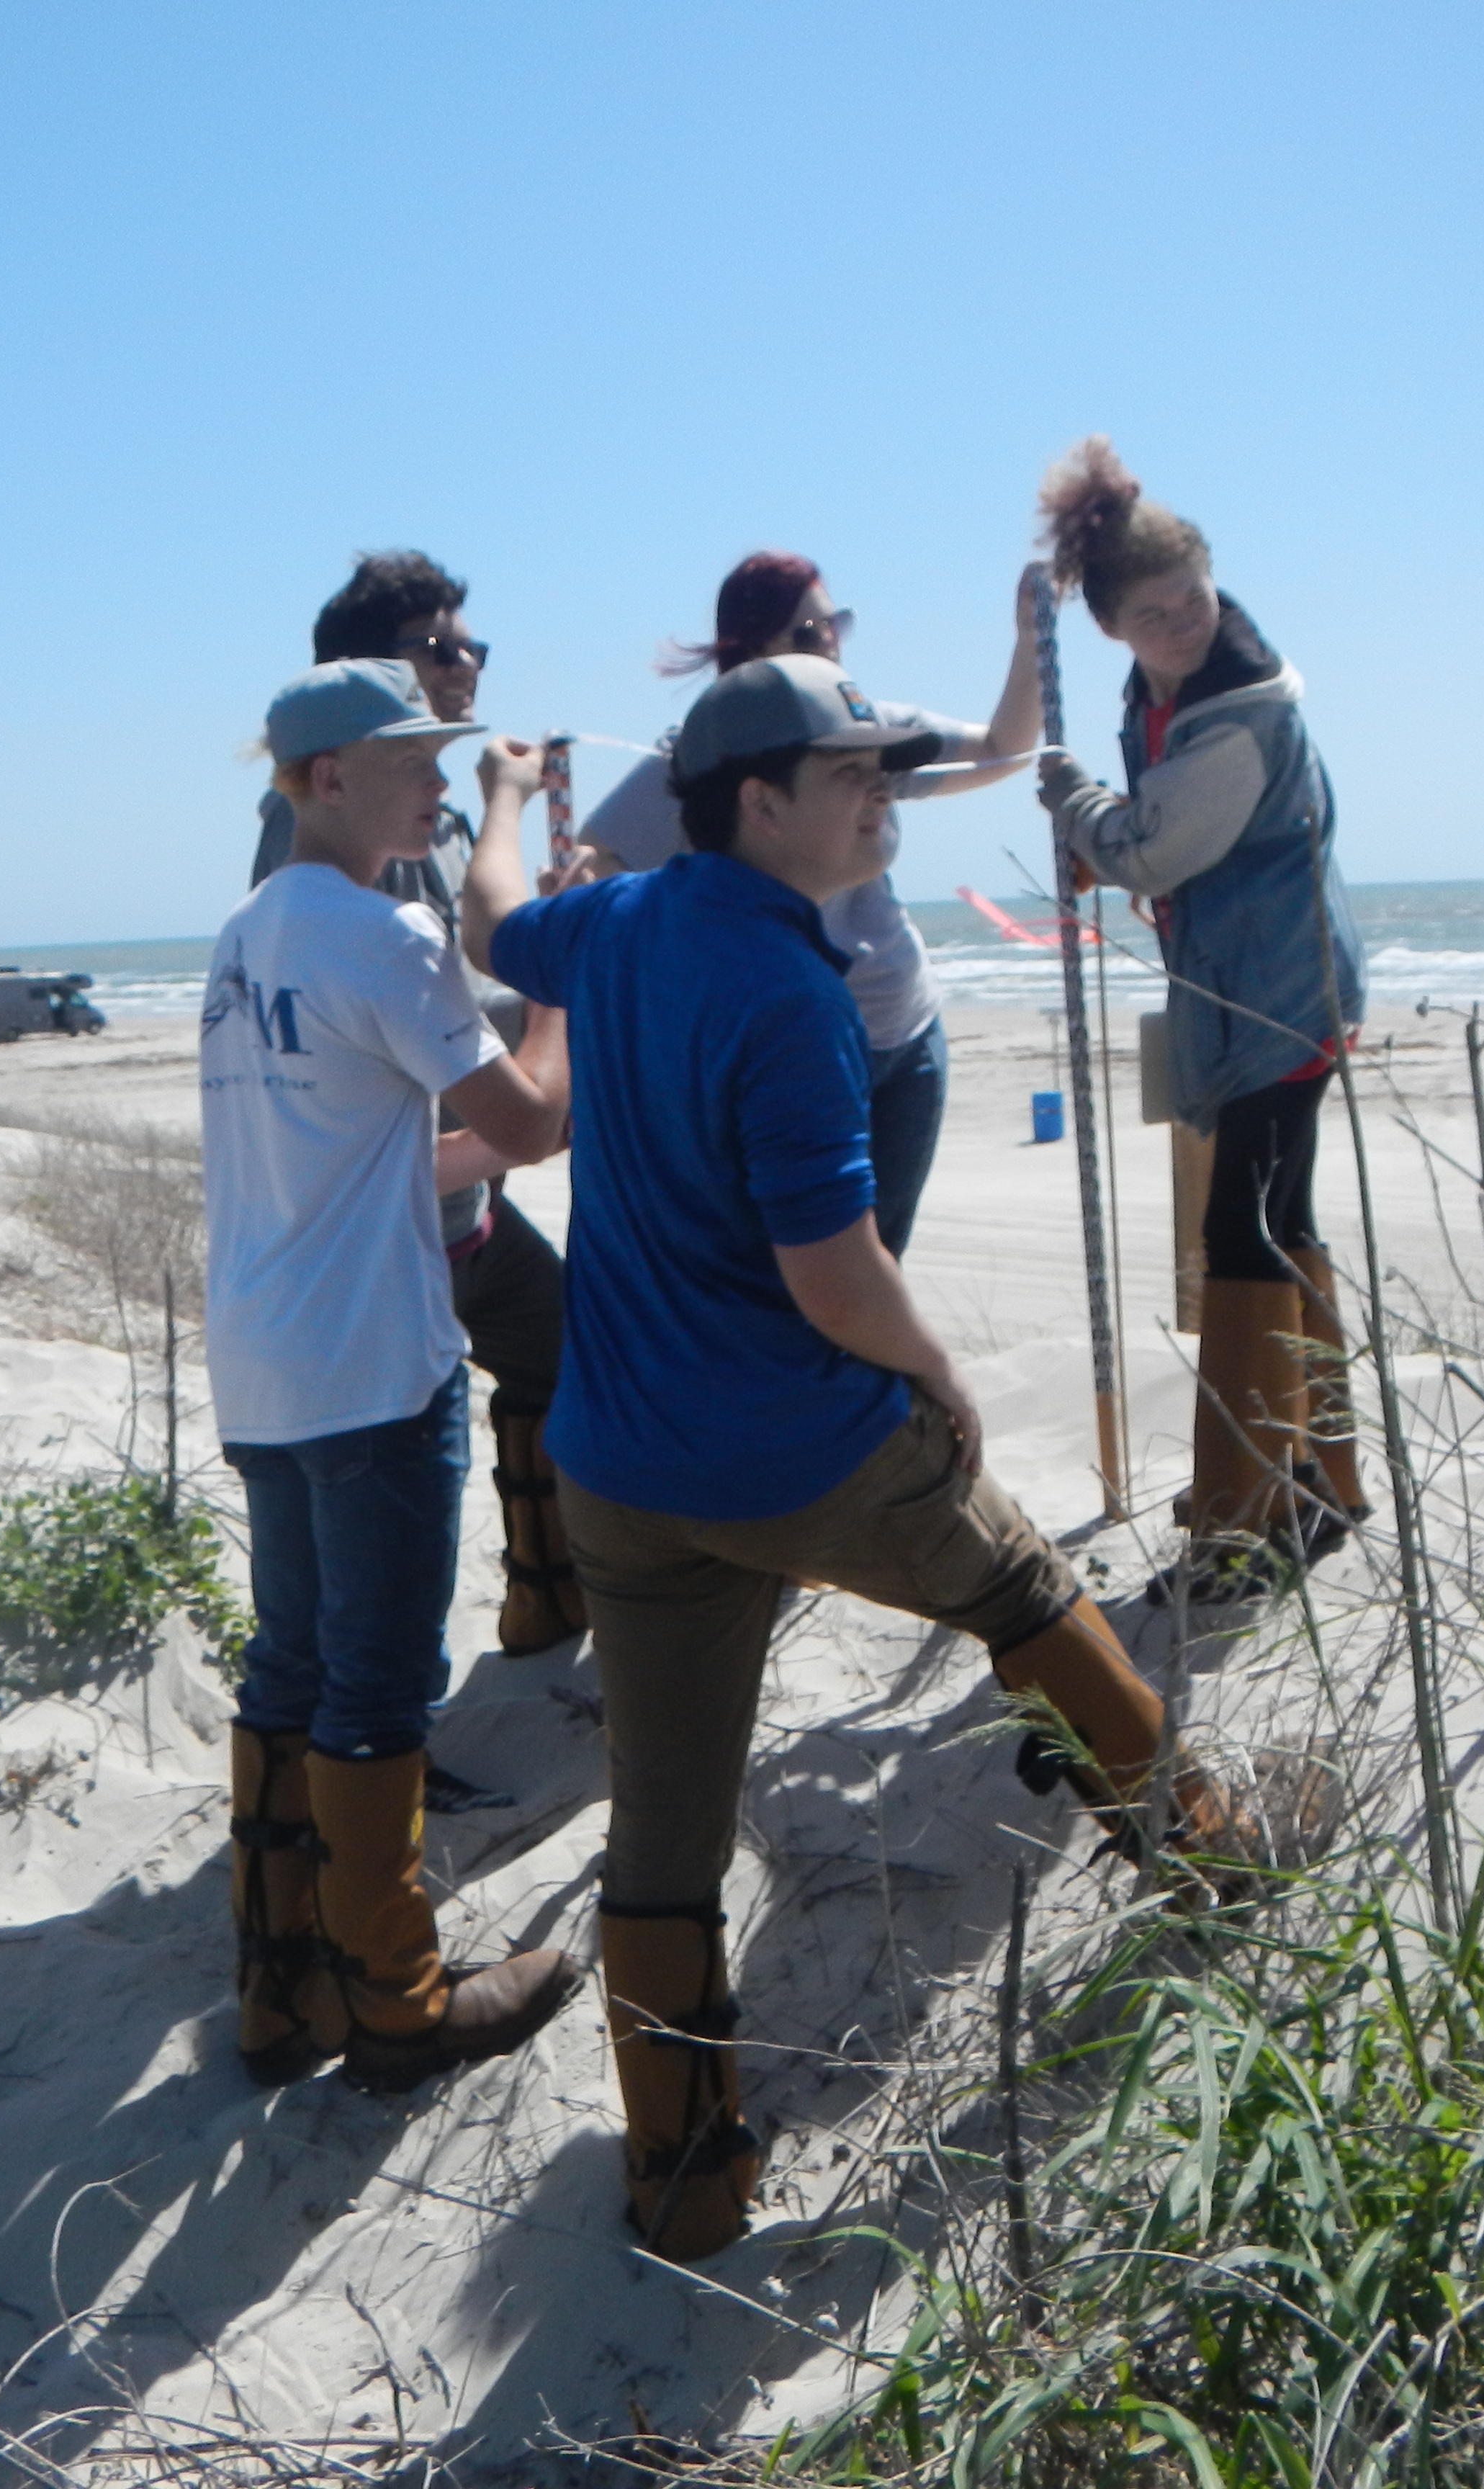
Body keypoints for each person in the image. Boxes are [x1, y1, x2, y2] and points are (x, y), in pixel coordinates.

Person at [458, 652, 1251, 2260]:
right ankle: (1211, 1868)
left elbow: (490, 927)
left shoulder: (612, 925)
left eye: (888, 769)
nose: (885, 793)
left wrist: (504, 802)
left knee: (663, 1831)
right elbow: (831, 1271)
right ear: (758, 805)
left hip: (620, 1467)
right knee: (1023, 1588)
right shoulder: (794, 997)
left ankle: (683, 2186)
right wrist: (939, 1371)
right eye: (851, 775)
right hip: (795, 1449)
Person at [205, 658, 582, 2094]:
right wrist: (550, 976)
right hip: (369, 1355)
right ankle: (401, 2006)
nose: (436, 778)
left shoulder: (244, 934)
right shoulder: (385, 933)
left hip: (264, 1353)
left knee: (291, 1662)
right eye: (407, 757)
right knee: (374, 1681)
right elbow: (534, 1124)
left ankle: (278, 1993)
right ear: (320, 780)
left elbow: (360, 1154)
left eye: (441, 756)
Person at [1030, 438, 1370, 1603]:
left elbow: (1157, 838)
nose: (1180, 621)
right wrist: (1112, 840)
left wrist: (1077, 808)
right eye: (1151, 611)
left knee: (1243, 1235)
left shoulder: (1232, 712)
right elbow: (1159, 843)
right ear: (1112, 626)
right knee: (1279, 1216)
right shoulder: (1167, 689)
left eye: (1191, 599)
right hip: (1255, 982)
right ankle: (1319, 1471)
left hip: (1274, 994)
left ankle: (1242, 1521)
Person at [252, 553, 587, 1658]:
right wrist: (556, 986)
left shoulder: (425, 817)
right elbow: (368, 1004)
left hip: (463, 1197)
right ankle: (380, 1755)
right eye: (440, 648)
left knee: (563, 1351)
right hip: (399, 1214)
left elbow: (465, 970)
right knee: (383, 1522)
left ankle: (545, 1597)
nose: (467, 665)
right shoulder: (327, 836)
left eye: (470, 645)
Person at [571, 554, 1045, 1256]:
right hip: (793, 1046)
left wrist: (1031, 641)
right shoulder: (702, 758)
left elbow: (1003, 750)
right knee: (799, 1266)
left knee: (879, 1261)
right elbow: (596, 859)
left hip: (905, 1034)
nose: (831, 645)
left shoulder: (865, 729)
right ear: (753, 650)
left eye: (834, 627)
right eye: (810, 632)